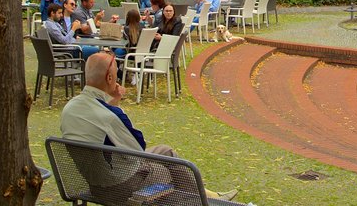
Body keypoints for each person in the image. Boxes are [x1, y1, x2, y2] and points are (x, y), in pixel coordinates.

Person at [60, 52, 238, 202]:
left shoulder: (69, 108)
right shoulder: (110, 115)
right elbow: (138, 149)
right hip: (118, 186)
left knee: (166, 152)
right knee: (169, 169)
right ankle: (202, 202)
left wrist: (112, 102)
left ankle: (207, 197)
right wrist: (115, 104)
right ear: (110, 78)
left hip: (96, 182)